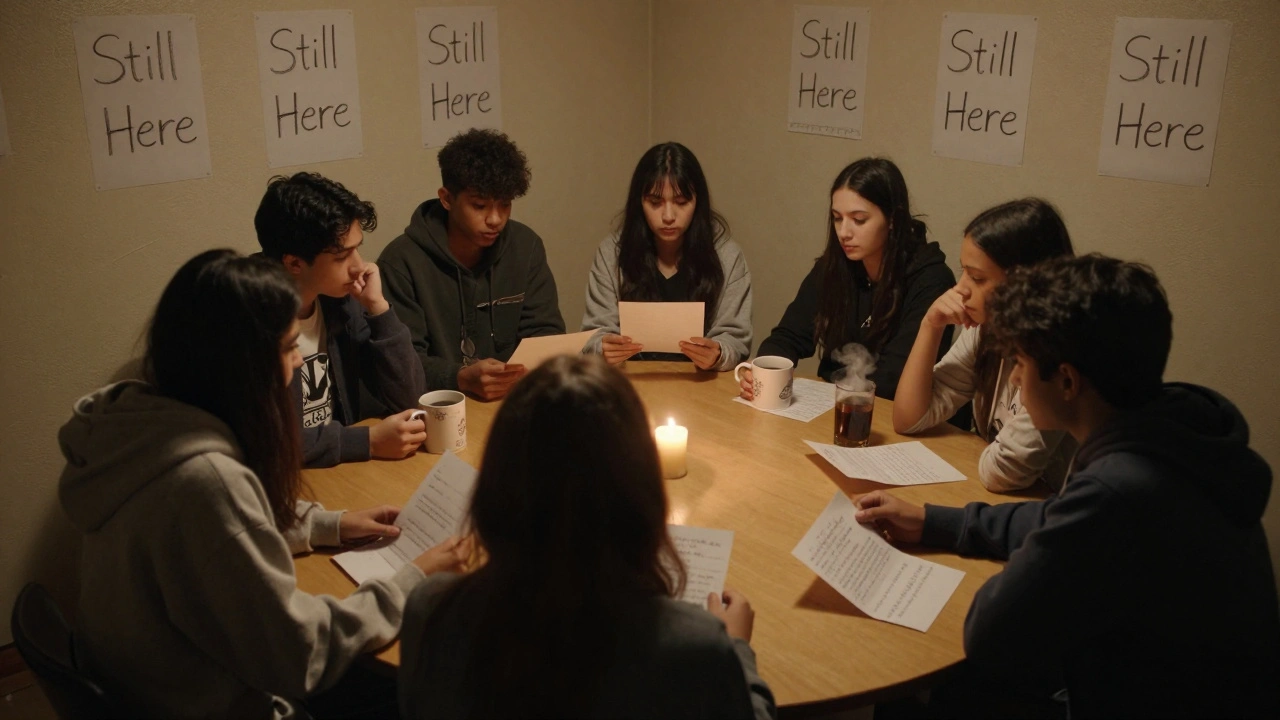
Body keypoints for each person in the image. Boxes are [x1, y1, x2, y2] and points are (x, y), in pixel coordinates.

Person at [855, 255, 1280, 718]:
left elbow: (990, 633)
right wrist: (935, 521)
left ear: (1067, 381)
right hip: (1185, 688)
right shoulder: (1169, 433)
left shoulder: (1120, 489)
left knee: (947, 693)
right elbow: (1057, 516)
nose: (1014, 378)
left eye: (1018, 363)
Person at [58, 250, 469, 718]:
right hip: (208, 700)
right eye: (290, 346)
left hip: (146, 685)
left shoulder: (139, 425)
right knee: (437, 682)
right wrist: (412, 581)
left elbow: (204, 545)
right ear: (242, 363)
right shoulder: (206, 481)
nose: (297, 361)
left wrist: (324, 525)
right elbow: (300, 653)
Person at [398, 355, 777, 720]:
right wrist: (737, 649)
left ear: (497, 484)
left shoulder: (430, 609)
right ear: (639, 492)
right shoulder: (696, 645)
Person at [892, 198, 1077, 492]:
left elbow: (1002, 473)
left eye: (977, 278)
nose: (961, 288)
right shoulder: (987, 331)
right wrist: (930, 325)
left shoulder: (1058, 356)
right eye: (963, 271)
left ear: (1025, 283)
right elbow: (909, 417)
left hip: (1051, 516)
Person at [255, 172, 428, 468]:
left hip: (337, 472)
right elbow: (266, 444)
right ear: (294, 263)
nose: (360, 266)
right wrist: (367, 440)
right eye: (342, 257)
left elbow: (410, 398)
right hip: (281, 484)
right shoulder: (247, 315)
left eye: (357, 249)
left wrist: (378, 309)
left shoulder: (341, 301)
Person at [745, 157, 954, 401]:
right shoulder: (834, 267)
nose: (844, 232)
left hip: (893, 415)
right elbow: (788, 336)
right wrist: (764, 372)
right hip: (834, 405)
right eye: (837, 218)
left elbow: (893, 381)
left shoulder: (930, 280)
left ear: (893, 220)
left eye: (859, 220)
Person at [380, 128, 566, 401]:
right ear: (446, 199)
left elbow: (545, 332)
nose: (495, 219)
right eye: (479, 206)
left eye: (505, 205)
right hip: (439, 408)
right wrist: (458, 376)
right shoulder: (402, 261)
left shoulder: (526, 246)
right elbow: (401, 362)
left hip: (516, 400)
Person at [581, 142, 752, 370]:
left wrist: (719, 353)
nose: (669, 216)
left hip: (700, 383)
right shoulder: (612, 253)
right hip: (630, 381)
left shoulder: (726, 255)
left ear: (697, 201)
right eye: (655, 202)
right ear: (639, 203)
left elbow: (735, 338)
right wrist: (603, 347)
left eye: (681, 202)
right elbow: (594, 334)